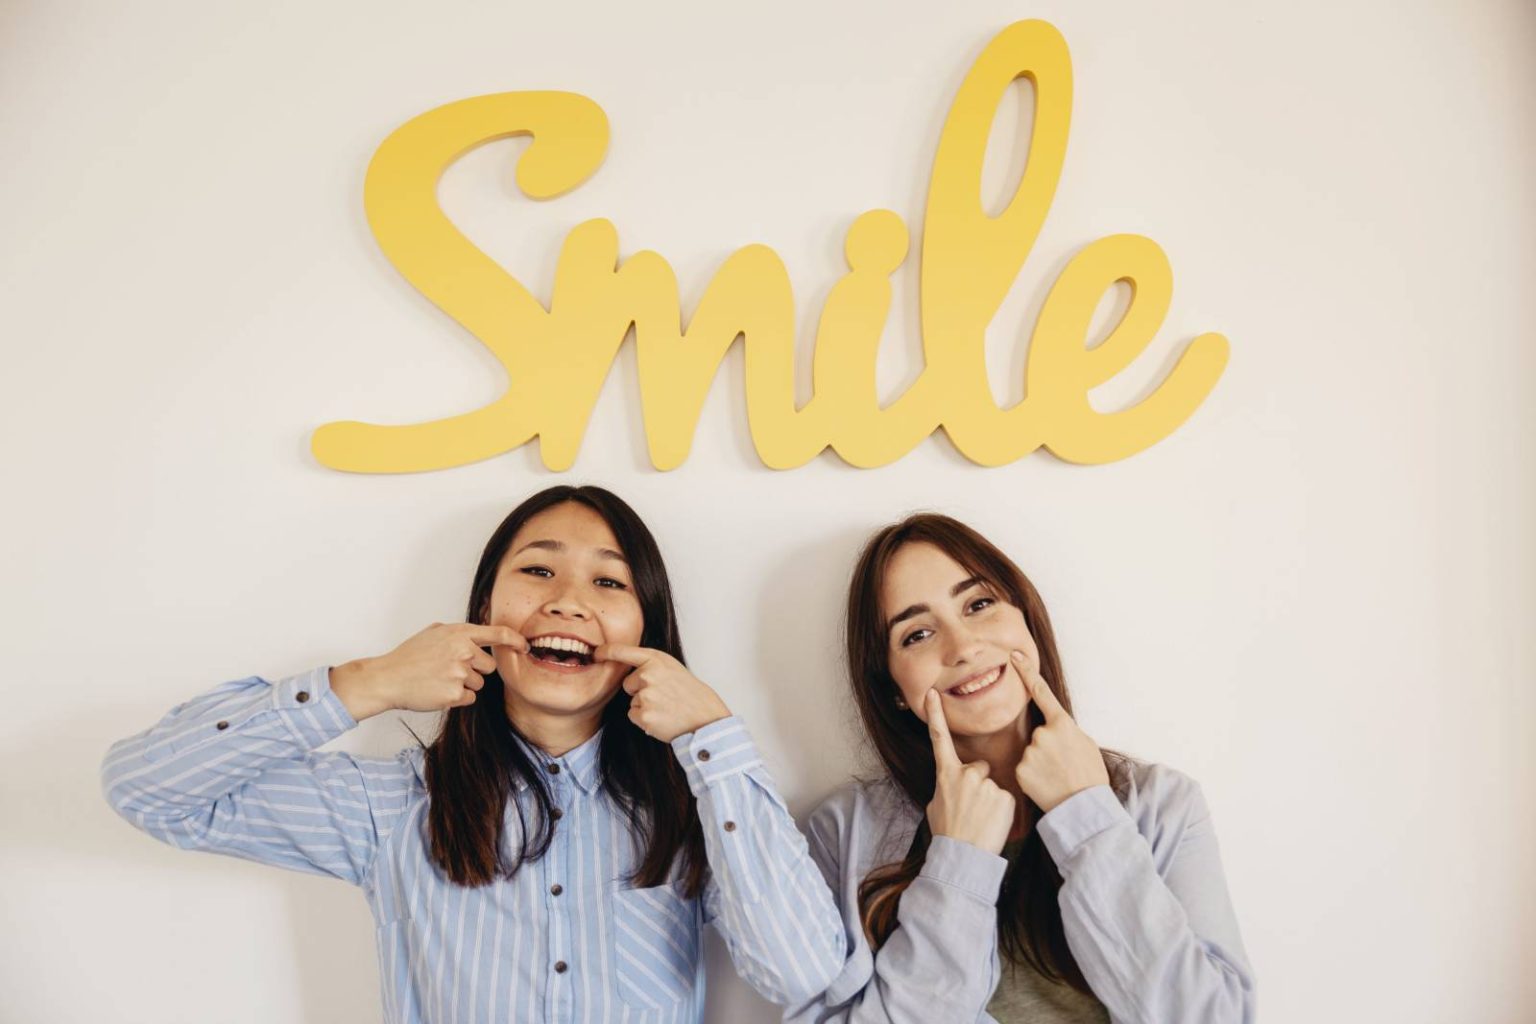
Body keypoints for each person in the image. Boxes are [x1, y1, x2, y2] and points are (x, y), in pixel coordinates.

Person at [101, 484, 843, 1024]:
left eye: (608, 581)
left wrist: (711, 737)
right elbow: (147, 789)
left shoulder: (696, 810)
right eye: (537, 570)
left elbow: (804, 972)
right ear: (484, 610)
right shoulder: (390, 806)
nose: (568, 601)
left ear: (648, 627)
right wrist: (371, 681)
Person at [787, 513, 1254, 1023]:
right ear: (893, 689)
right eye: (917, 634)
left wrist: (1087, 818)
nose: (963, 647)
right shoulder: (844, 833)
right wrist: (957, 863)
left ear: (1025, 616)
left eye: (979, 604)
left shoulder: (1162, 806)